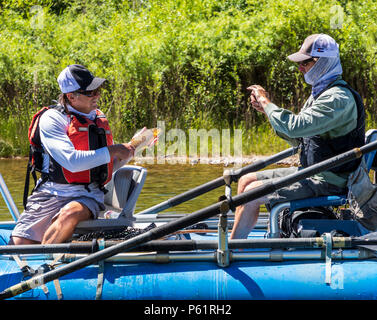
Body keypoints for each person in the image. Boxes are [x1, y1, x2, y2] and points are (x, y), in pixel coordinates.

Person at [230, 34, 365, 239]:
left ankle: (232, 250)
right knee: (246, 180)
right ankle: (244, 238)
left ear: (323, 62)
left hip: (329, 180)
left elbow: (295, 126)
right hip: (312, 172)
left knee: (252, 194)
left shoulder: (337, 98)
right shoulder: (320, 93)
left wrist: (267, 103)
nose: (300, 68)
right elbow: (299, 138)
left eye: (305, 62)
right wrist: (266, 111)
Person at [10, 64, 144, 245]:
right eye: (90, 92)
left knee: (69, 213)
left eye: (97, 90)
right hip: (51, 192)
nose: (97, 95)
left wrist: (132, 148)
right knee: (18, 246)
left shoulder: (98, 117)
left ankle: (48, 265)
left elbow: (106, 164)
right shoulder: (52, 119)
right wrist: (114, 150)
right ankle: (42, 263)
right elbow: (71, 162)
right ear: (71, 96)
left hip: (88, 194)